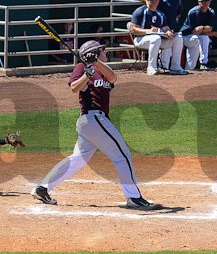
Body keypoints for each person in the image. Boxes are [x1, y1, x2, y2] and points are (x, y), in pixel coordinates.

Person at [31, 41, 160, 210]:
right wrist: (86, 75)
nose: (105, 53)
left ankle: (42, 188)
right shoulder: (81, 67)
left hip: (94, 122)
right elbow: (74, 88)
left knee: (78, 160)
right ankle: (134, 197)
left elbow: (113, 78)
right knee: (122, 154)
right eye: (102, 51)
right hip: (93, 118)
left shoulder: (103, 69)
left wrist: (96, 63)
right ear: (94, 52)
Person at [130, 0, 188, 75]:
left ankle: (175, 67)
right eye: (151, 0)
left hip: (157, 41)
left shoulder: (160, 14)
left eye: (155, 0)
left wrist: (168, 33)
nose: (154, 2)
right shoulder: (140, 11)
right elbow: (133, 29)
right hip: (140, 39)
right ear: (148, 0)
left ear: (158, 1)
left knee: (178, 38)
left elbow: (165, 28)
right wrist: (148, 31)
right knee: (155, 38)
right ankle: (151, 67)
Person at [179, 0, 217, 71]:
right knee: (204, 38)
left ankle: (186, 76)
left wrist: (203, 28)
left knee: (191, 64)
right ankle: (204, 63)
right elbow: (196, 32)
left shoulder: (211, 12)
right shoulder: (193, 12)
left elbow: (209, 28)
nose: (205, 3)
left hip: (195, 39)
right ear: (198, 2)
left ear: (210, 2)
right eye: (203, 1)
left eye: (207, 1)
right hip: (186, 37)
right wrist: (216, 34)